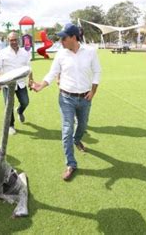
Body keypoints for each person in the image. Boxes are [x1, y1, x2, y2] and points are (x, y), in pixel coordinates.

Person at [32, 23, 101, 181]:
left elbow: (97, 71)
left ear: (73, 37)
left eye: (63, 38)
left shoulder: (90, 52)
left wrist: (93, 91)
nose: (61, 41)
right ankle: (71, 163)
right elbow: (53, 73)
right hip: (66, 98)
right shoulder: (60, 54)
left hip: (85, 98)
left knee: (82, 125)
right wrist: (41, 85)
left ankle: (77, 140)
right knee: (67, 129)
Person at [0, 31, 33, 135]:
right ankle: (11, 125)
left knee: (25, 102)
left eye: (15, 39)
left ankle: (20, 111)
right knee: (8, 105)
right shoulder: (2, 53)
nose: (14, 42)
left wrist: (31, 79)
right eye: (11, 40)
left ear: (19, 40)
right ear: (8, 41)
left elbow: (29, 67)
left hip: (21, 83)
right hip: (7, 84)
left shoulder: (24, 52)